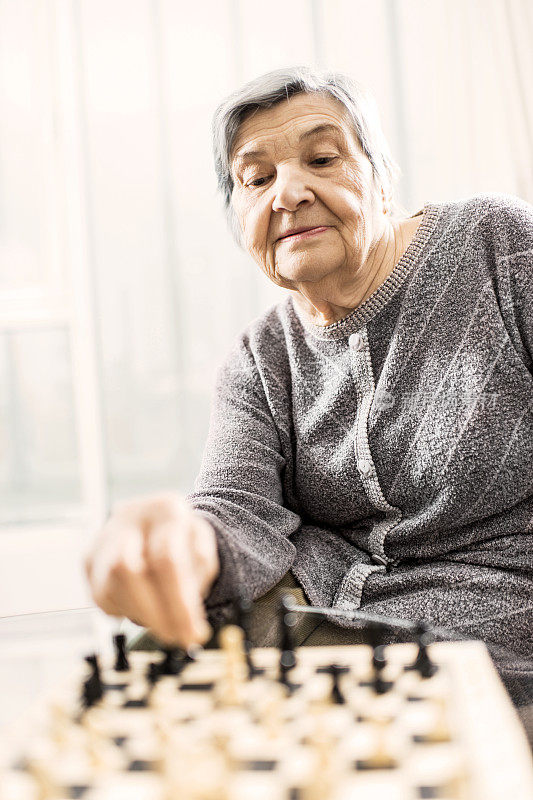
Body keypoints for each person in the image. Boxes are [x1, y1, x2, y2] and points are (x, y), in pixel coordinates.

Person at [85, 67, 532, 726]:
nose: (288, 193)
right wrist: (183, 540)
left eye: (321, 159)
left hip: (501, 628)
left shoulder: (495, 245)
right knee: (151, 688)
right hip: (324, 618)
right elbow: (236, 512)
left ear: (381, 177)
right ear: (238, 217)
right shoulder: (257, 358)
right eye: (255, 178)